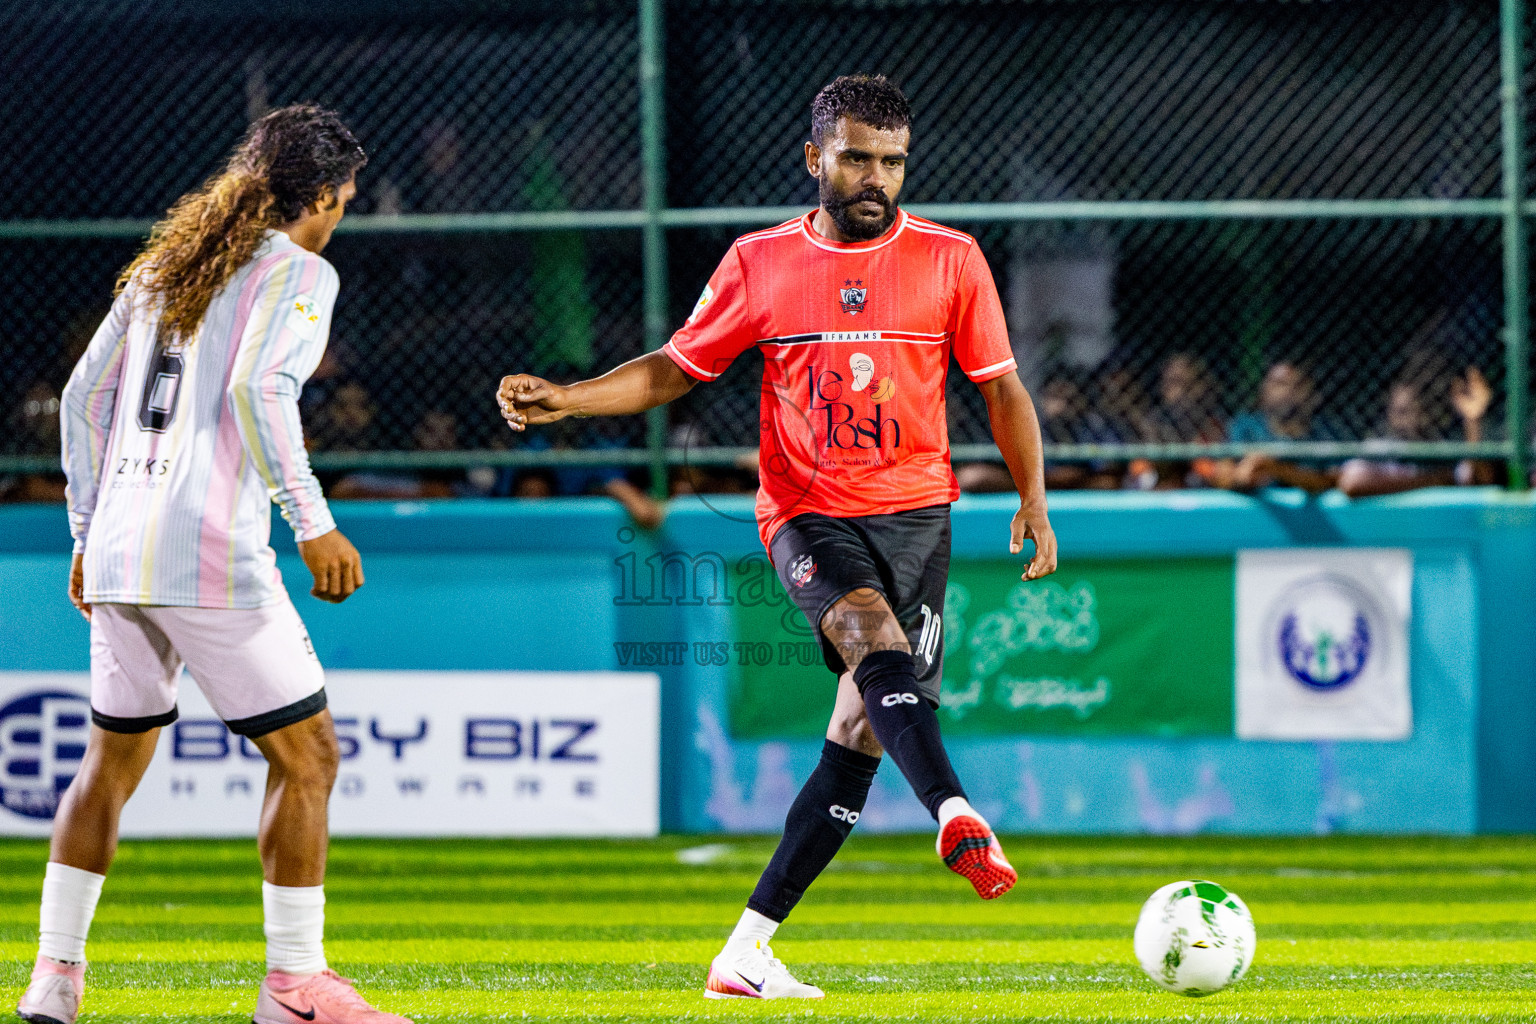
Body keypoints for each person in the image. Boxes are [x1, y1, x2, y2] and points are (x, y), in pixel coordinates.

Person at [497, 74, 1057, 1000]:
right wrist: (571, 398)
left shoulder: (952, 260)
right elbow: (676, 370)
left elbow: (1000, 389)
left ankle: (746, 951)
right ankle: (954, 810)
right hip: (806, 510)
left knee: (859, 728)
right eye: (857, 157)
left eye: (892, 160)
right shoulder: (760, 263)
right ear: (814, 158)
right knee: (872, 640)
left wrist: (1033, 498)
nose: (877, 176)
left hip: (920, 516)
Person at [22, 105, 411, 1024]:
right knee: (309, 758)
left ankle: (55, 977)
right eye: (342, 200)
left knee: (106, 768)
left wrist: (85, 530)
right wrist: (312, 522)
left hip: (120, 548)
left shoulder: (167, 267)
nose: (339, 216)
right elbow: (259, 387)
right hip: (208, 554)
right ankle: (295, 988)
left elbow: (83, 400)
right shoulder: (301, 271)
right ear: (316, 195)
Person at [1338, 368, 1495, 497]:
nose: (1403, 420)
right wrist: (1434, 481)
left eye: (1410, 411)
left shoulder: (1438, 450)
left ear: (1425, 413)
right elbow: (1352, 483)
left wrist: (1473, 422)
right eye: (1398, 412)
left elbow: (1474, 479)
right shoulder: (1379, 448)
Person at [1210, 360, 1344, 494]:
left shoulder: (1323, 431)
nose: (1285, 391)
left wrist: (1274, 468)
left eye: (1292, 385)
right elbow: (1222, 475)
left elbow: (1332, 481)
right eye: (1275, 384)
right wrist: (1241, 477)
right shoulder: (1246, 426)